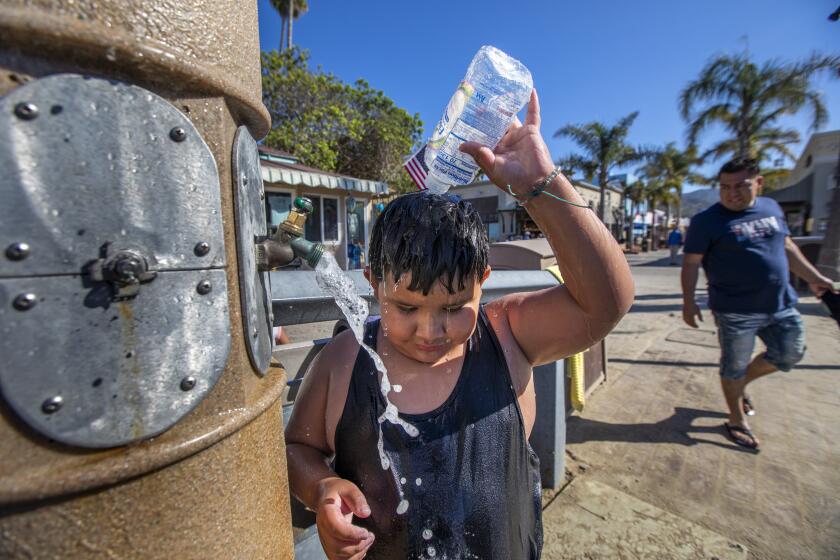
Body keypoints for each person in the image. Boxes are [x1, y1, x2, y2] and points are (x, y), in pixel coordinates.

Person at [285, 90, 634, 559]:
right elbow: (297, 449)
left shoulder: (507, 335)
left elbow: (606, 302)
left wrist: (540, 183)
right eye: (405, 308)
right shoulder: (345, 359)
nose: (430, 332)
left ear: (482, 282)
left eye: (453, 308)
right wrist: (321, 487)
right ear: (374, 283)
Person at [681, 157, 837, 451]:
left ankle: (740, 388)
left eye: (741, 185)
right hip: (734, 311)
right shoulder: (706, 221)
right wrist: (689, 303)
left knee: (790, 352)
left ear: (759, 182)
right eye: (725, 187)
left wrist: (815, 278)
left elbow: (787, 247)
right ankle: (736, 420)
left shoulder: (771, 208)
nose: (732, 193)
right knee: (733, 366)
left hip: (781, 305)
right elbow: (690, 264)